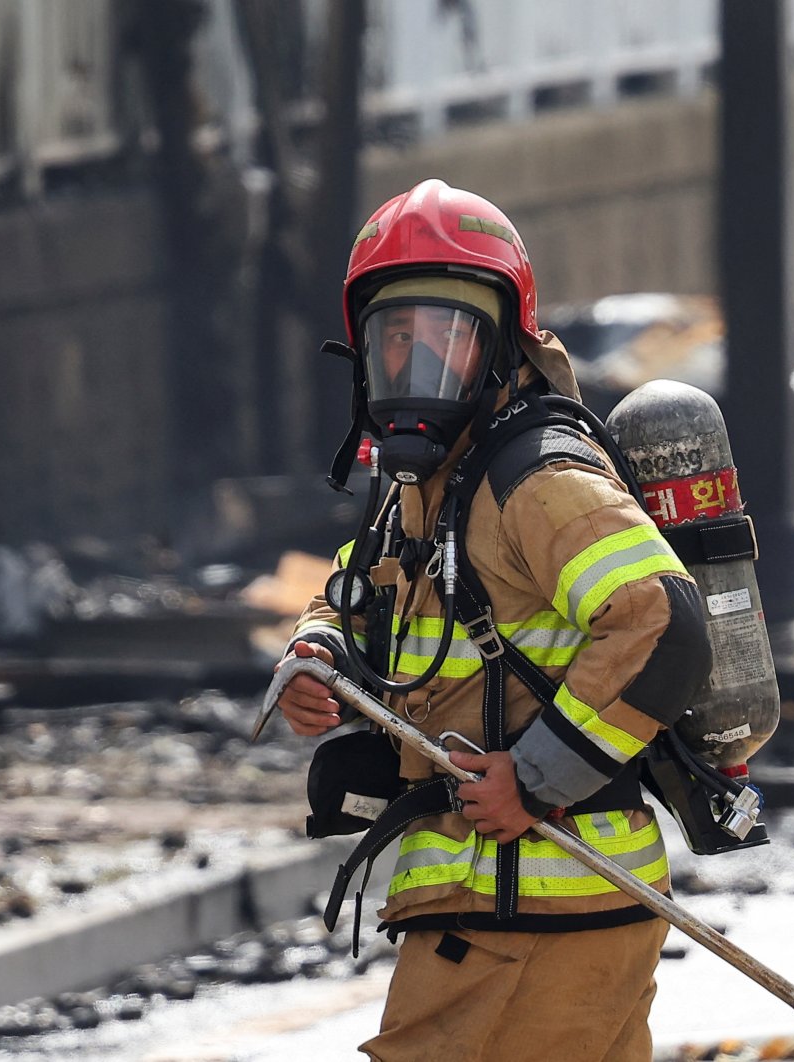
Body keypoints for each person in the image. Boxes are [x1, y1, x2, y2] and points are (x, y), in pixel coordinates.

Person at [272, 179, 714, 1061]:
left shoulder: (535, 480)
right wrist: (317, 651)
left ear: (500, 345)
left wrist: (538, 777)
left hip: (534, 905)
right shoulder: (424, 490)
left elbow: (662, 623)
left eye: (447, 335)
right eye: (397, 338)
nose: (418, 364)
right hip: (523, 909)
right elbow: (357, 591)